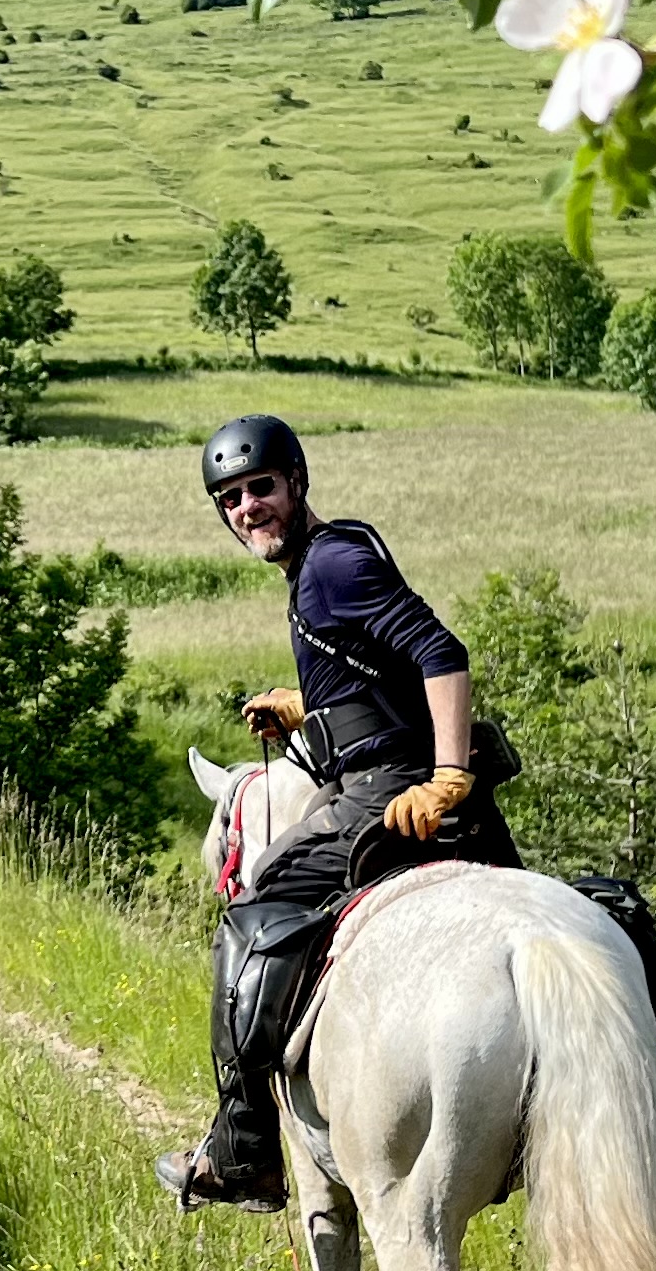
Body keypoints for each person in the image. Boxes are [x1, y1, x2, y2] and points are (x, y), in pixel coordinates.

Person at [160, 414, 516, 1212]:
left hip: (388, 790)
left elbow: (440, 652)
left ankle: (245, 1146)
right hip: (392, 769)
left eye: (261, 488)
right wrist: (308, 708)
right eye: (232, 498)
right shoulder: (324, 562)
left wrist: (447, 776)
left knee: (251, 917)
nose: (249, 507)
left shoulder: (331, 566)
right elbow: (380, 669)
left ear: (296, 481)